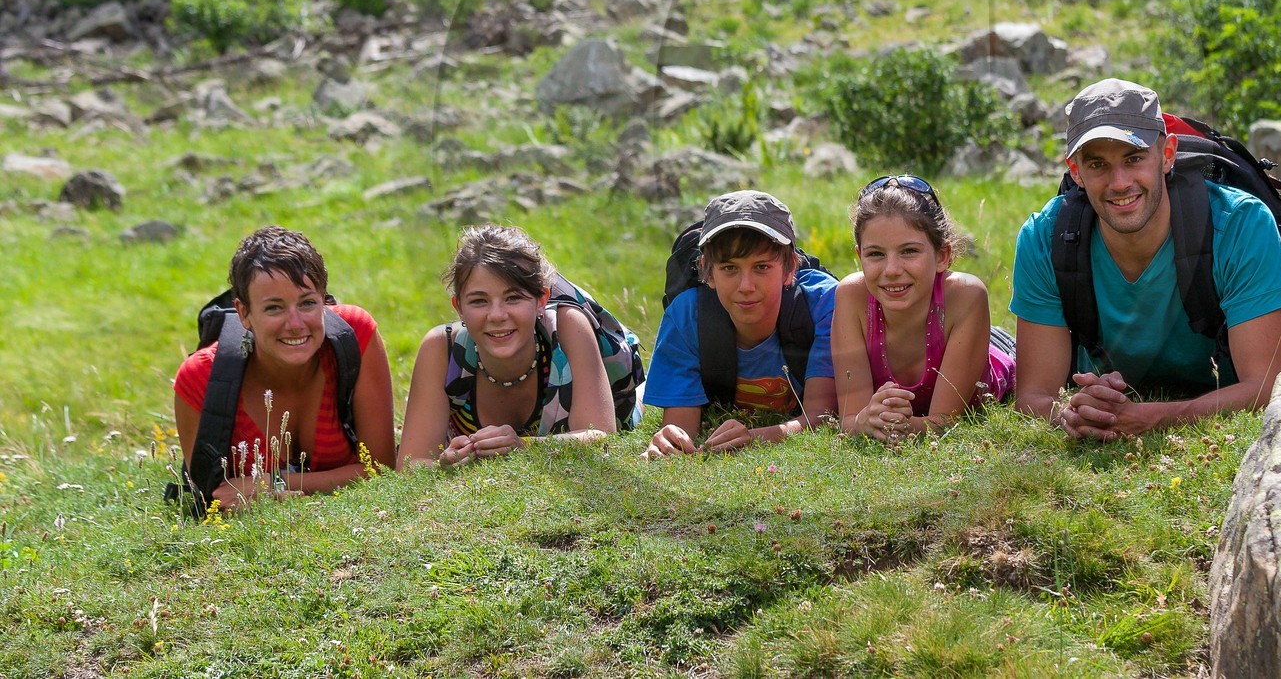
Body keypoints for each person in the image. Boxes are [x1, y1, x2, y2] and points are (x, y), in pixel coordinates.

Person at [1011, 78, 1281, 440]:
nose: (1119, 183)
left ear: (1167, 155)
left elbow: (1265, 385)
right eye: (1097, 165)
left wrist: (1148, 417)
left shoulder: (1239, 222)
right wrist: (1070, 416)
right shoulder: (1045, 238)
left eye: (1134, 158)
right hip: (1242, 290)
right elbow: (1032, 396)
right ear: (1075, 171)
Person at [173, 226, 396, 510]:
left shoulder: (356, 333)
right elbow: (212, 494)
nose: (295, 324)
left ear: (324, 300)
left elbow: (381, 469)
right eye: (274, 308)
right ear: (244, 313)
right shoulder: (200, 377)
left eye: (307, 303)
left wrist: (271, 483)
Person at [397, 225, 629, 468]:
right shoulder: (441, 347)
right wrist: (443, 465)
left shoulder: (568, 325)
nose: (497, 315)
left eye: (513, 298)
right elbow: (409, 464)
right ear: (459, 308)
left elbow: (601, 437)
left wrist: (523, 445)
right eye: (479, 301)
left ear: (542, 300)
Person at [643, 190, 838, 458]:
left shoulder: (824, 304)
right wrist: (670, 441)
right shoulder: (687, 316)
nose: (746, 287)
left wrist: (753, 437)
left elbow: (822, 416)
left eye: (761, 267)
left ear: (790, 266)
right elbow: (682, 428)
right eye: (729, 268)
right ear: (707, 272)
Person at [832, 174, 1016, 440]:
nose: (892, 270)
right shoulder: (851, 296)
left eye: (909, 251)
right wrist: (865, 420)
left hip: (994, 347)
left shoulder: (966, 295)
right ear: (860, 256)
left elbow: (944, 423)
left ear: (943, 256)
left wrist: (893, 424)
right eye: (876, 254)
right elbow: (850, 419)